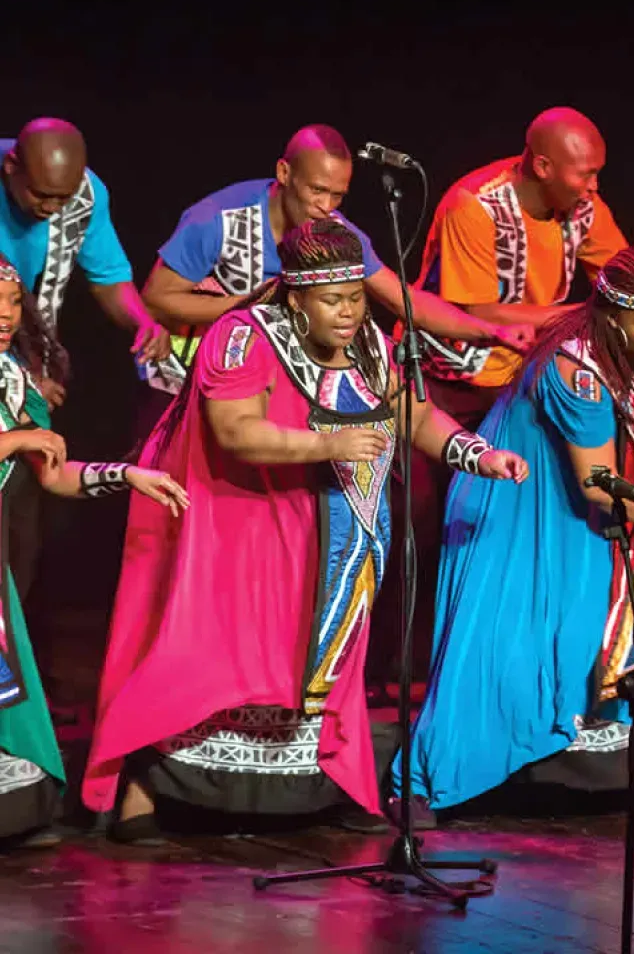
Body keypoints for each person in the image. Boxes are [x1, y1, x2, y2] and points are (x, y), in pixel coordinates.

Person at [82, 220, 528, 844]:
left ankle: (324, 785)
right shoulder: (241, 338)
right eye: (333, 301)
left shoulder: (369, 340)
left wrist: (475, 454)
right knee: (215, 654)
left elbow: (414, 413)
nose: (348, 313)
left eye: (354, 298)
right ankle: (141, 794)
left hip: (340, 537)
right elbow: (235, 430)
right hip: (246, 524)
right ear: (296, 297)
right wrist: (330, 443)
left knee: (322, 659)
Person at [401, 249, 634, 816]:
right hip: (524, 501)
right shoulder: (578, 370)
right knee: (515, 639)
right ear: (613, 319)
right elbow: (598, 482)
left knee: (607, 623)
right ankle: (433, 779)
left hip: (585, 504)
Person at [139, 124, 519, 433]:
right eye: (317, 190)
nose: (326, 207)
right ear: (284, 173)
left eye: (338, 196)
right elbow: (156, 297)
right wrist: (249, 305)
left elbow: (406, 300)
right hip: (182, 382)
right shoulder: (217, 220)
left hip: (265, 393)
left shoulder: (336, 234)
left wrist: (489, 331)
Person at [0, 250, 187, 849]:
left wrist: (125, 475)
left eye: (11, 302)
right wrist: (16, 438)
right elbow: (25, 444)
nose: (5, 315)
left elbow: (53, 472)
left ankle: (19, 812)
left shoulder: (12, 378)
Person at [1, 119, 171, 607]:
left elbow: (109, 276)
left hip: (22, 359)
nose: (54, 209)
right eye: (42, 197)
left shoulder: (85, 196)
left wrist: (143, 322)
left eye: (63, 198)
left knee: (22, 533)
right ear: (11, 167)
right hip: (17, 362)